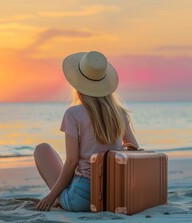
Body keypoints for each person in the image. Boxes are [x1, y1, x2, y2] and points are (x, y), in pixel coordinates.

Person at [34, 51, 139, 212]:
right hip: (112, 195)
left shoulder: (73, 114)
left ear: (77, 84)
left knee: (42, 149)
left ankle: (59, 198)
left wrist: (51, 196)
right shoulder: (120, 113)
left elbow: (72, 162)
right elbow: (134, 150)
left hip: (81, 199)